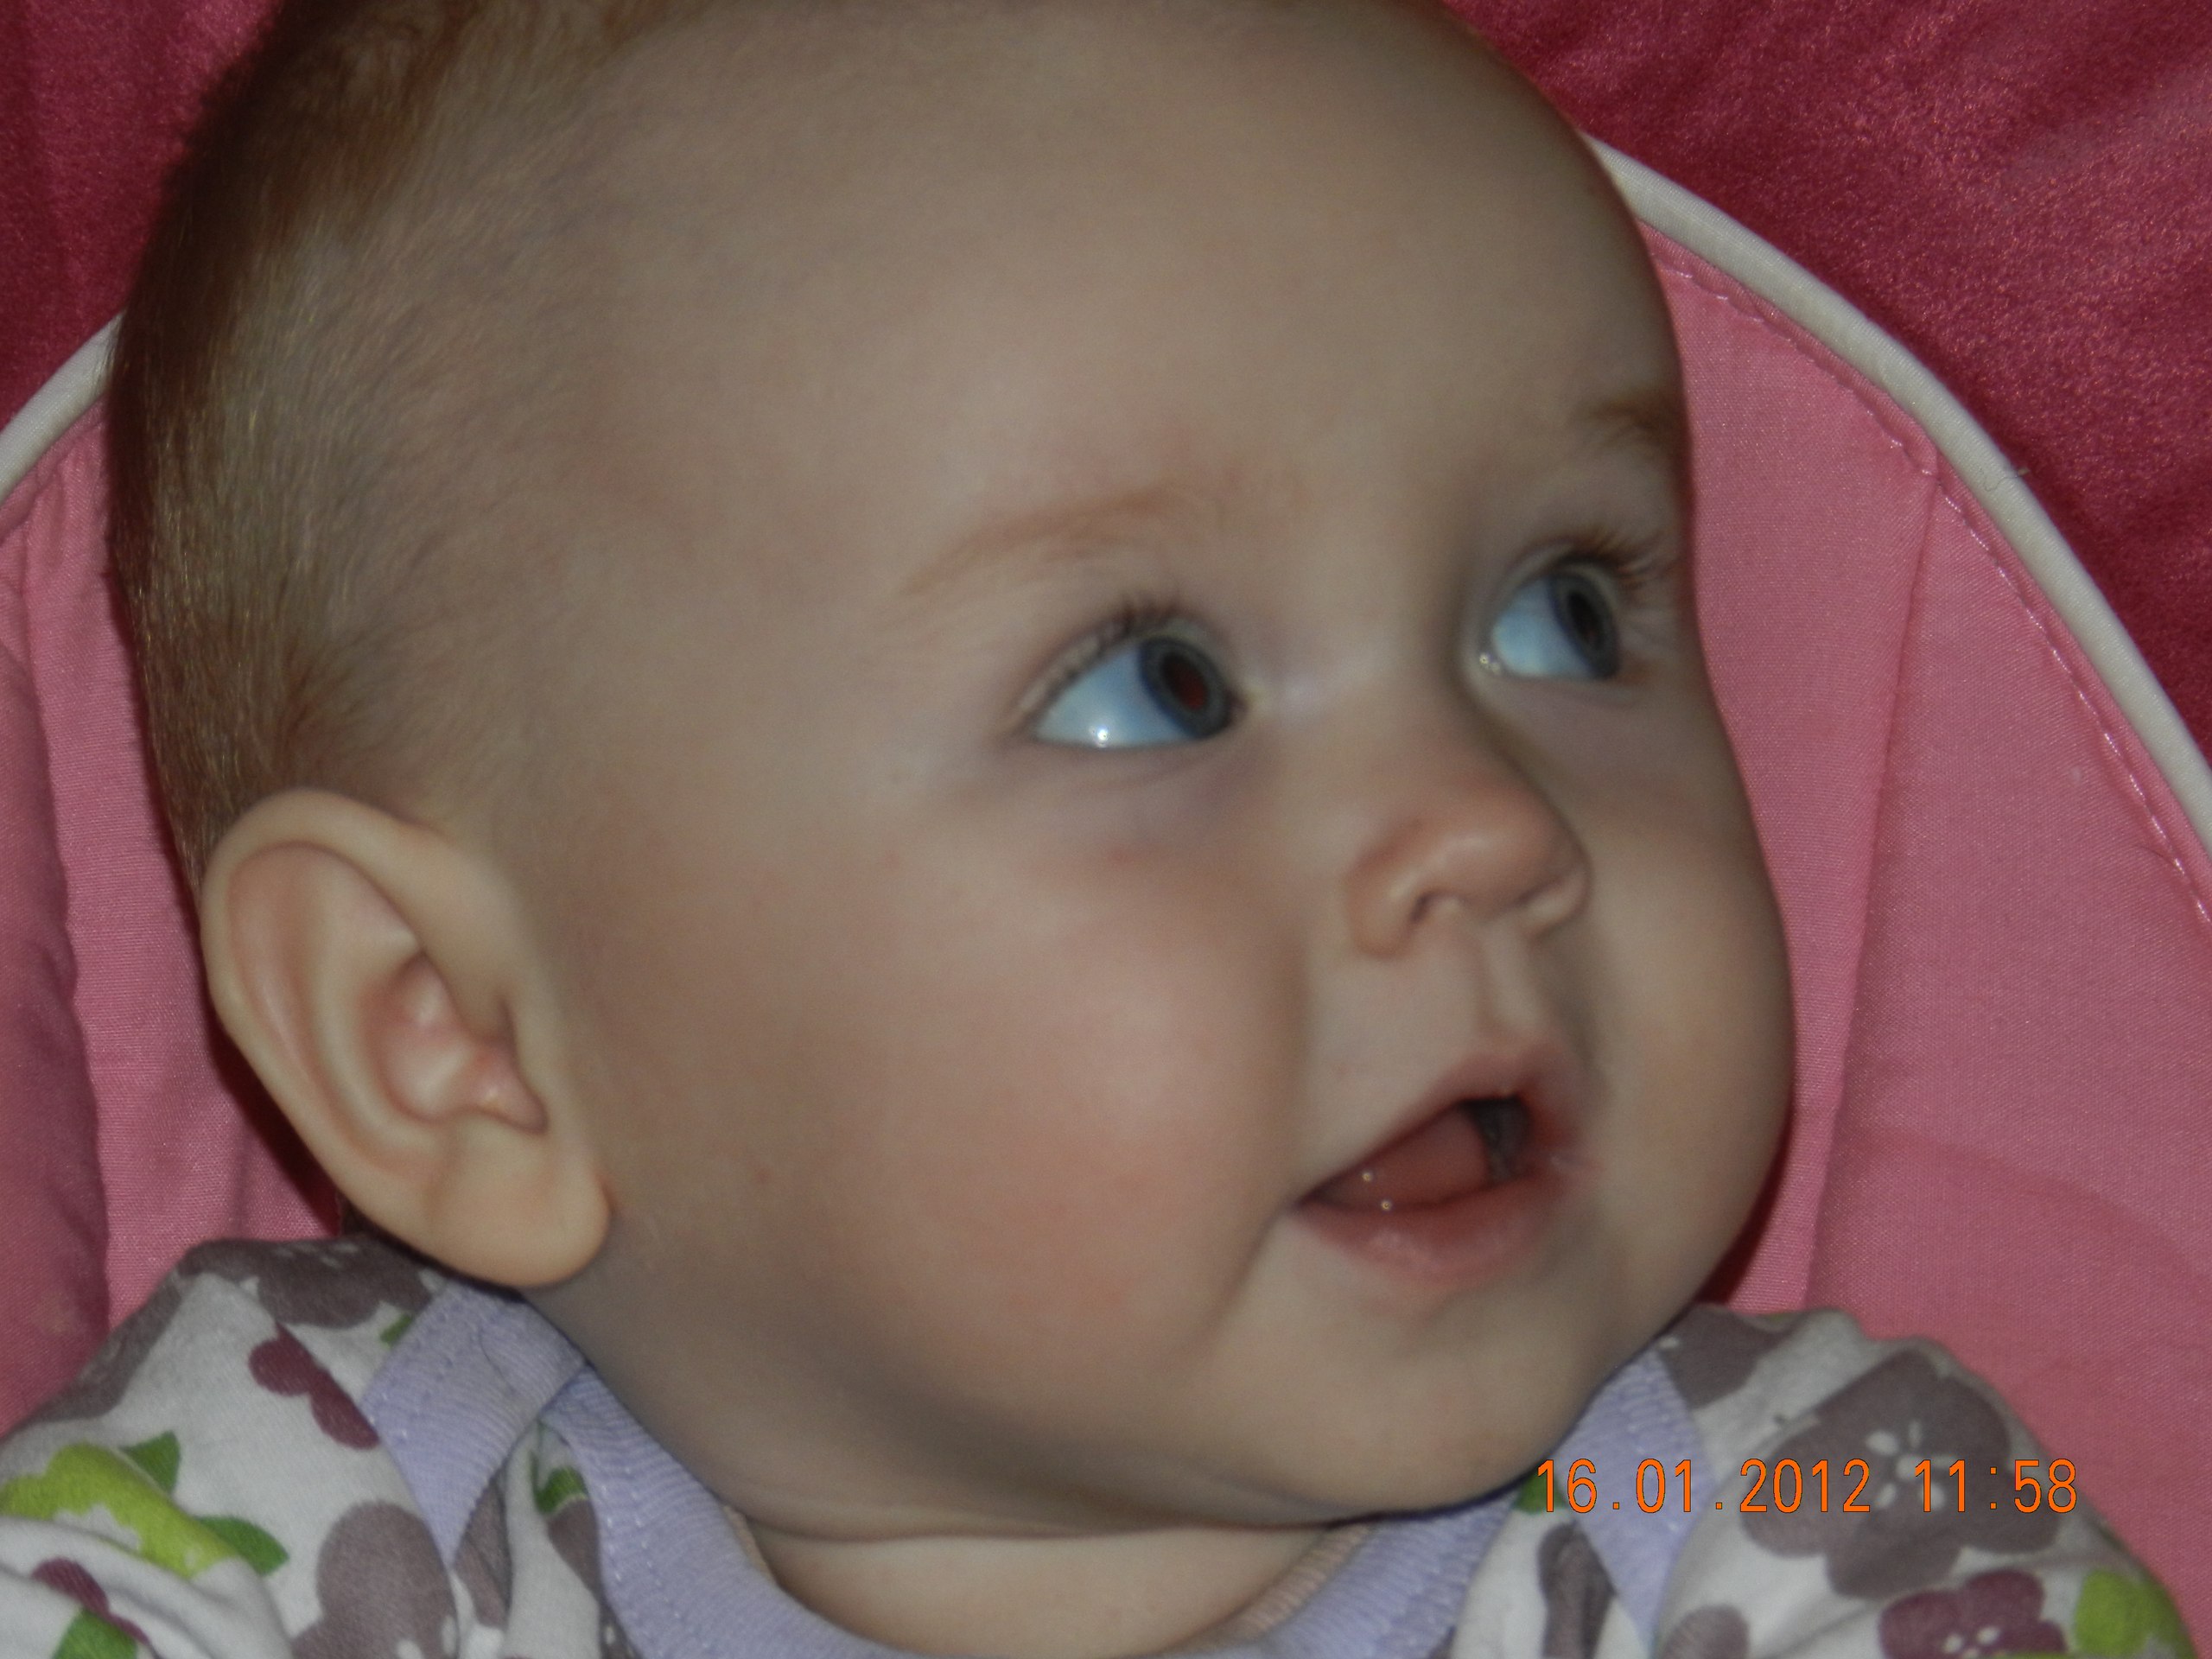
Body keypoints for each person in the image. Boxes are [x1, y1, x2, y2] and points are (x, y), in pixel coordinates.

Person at [0, 2, 2187, 1656]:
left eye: (1562, 612)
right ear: (457, 1037)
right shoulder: (266, 1515)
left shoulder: (1842, 1522)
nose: (1486, 822)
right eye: (1155, 686)